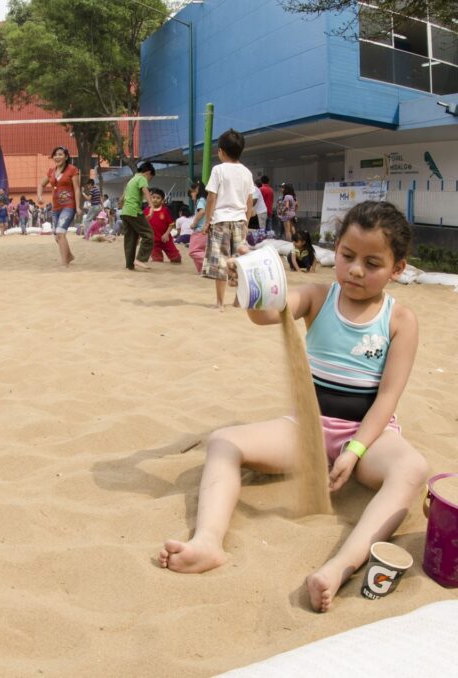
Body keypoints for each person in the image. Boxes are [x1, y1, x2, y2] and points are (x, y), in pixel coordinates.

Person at [159, 200, 429, 613]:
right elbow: (269, 315)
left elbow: (388, 397)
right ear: (335, 251)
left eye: (372, 263)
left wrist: (355, 451)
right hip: (307, 427)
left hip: (367, 436)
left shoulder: (400, 320)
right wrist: (248, 280)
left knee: (412, 469)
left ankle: (341, 566)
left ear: (398, 268)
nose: (356, 270)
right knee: (223, 442)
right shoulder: (319, 297)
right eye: (347, 256)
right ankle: (208, 541)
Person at [202, 129, 254, 309]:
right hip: (240, 221)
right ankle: (238, 300)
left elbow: (211, 197)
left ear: (221, 152)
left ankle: (220, 303)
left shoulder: (218, 170)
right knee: (239, 262)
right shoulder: (247, 172)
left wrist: (207, 221)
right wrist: (246, 222)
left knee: (221, 262)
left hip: (220, 221)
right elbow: (249, 201)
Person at [37, 146, 81, 266]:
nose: (57, 157)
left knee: (61, 233)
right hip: (56, 208)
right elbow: (41, 184)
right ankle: (69, 256)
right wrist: (39, 197)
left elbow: (77, 189)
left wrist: (78, 207)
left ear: (66, 157)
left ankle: (64, 264)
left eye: (60, 154)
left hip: (69, 206)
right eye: (55, 155)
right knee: (57, 236)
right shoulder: (51, 171)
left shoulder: (72, 170)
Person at [119, 162, 156, 271]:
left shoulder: (131, 180)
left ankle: (129, 265)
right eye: (150, 178)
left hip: (125, 212)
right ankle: (141, 259)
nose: (149, 180)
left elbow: (122, 198)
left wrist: (122, 205)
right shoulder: (142, 178)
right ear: (148, 173)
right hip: (134, 211)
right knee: (148, 235)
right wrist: (151, 206)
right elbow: (145, 191)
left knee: (130, 239)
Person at [147, 188, 180, 264]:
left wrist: (166, 234)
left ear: (162, 200)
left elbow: (171, 224)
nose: (155, 199)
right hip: (153, 241)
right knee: (157, 260)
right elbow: (143, 224)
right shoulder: (146, 210)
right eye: (153, 197)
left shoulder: (165, 210)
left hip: (166, 239)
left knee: (176, 259)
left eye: (158, 198)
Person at [187, 181, 208, 274]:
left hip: (199, 230)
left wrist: (194, 224)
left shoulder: (201, 200)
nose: (191, 194)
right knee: (202, 250)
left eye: (192, 192)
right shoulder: (207, 200)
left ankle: (210, 263)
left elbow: (202, 211)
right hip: (206, 230)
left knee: (193, 251)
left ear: (196, 190)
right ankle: (202, 271)